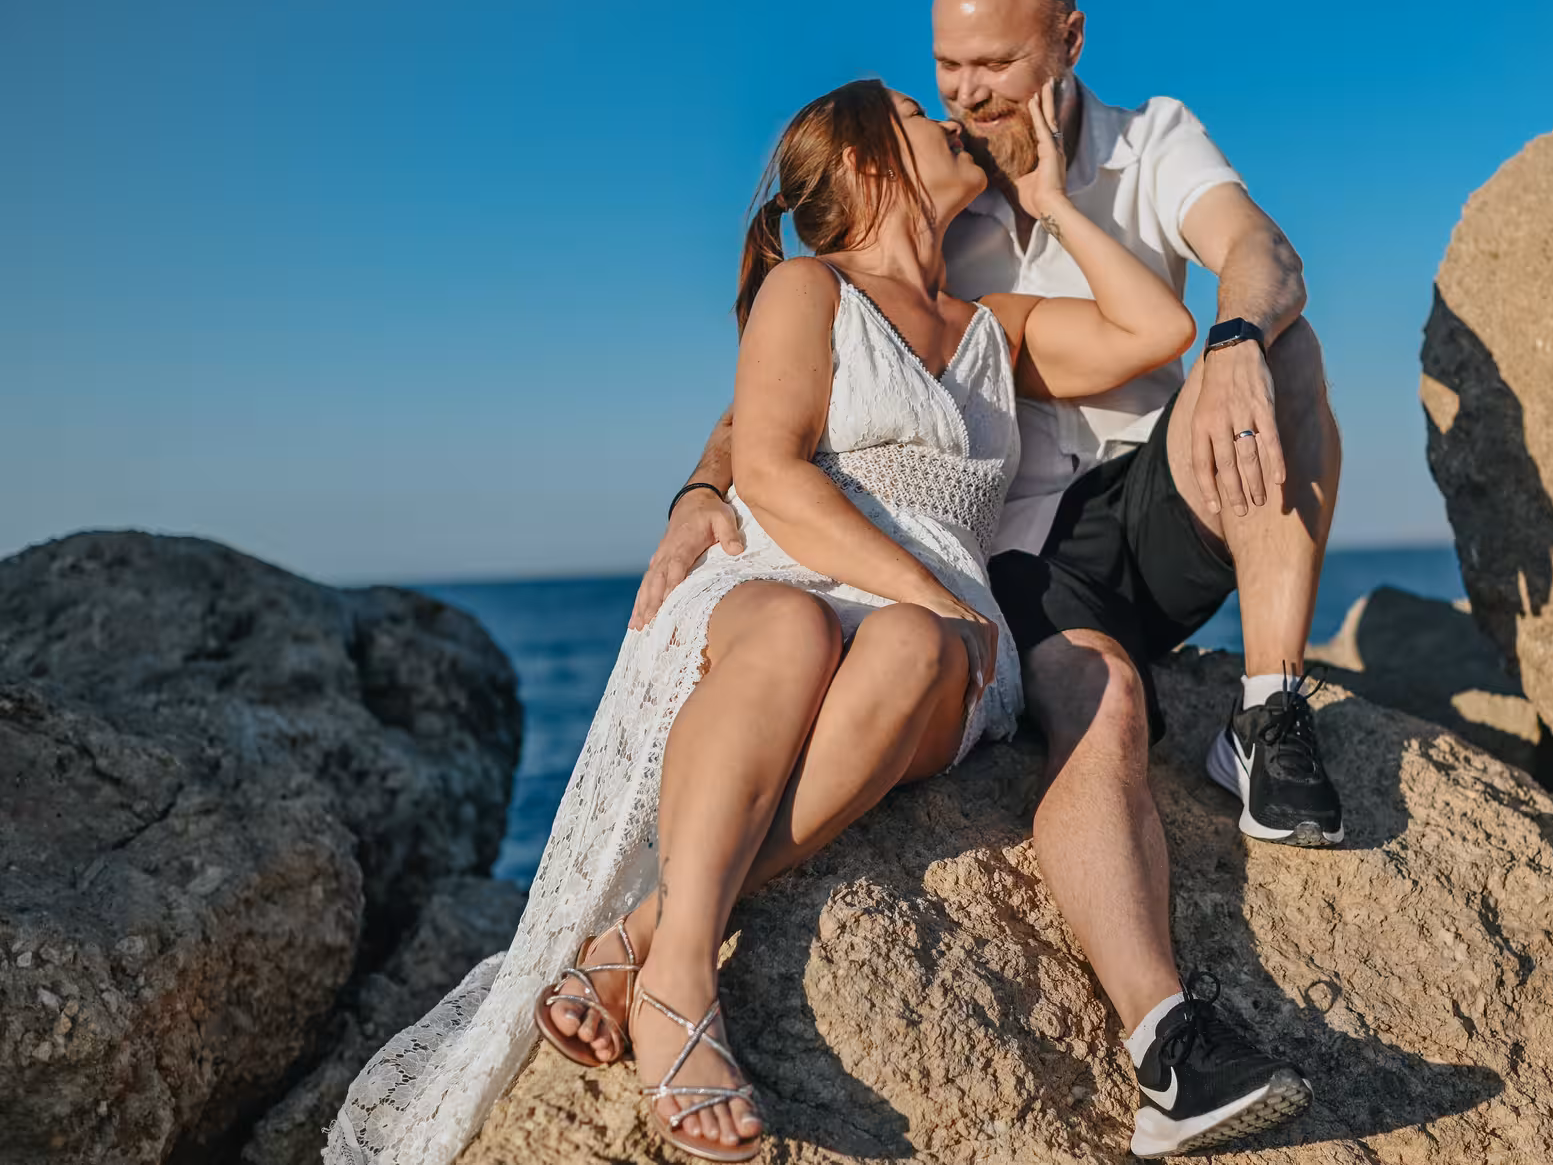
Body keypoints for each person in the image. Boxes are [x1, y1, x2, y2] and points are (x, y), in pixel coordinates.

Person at [327, 79, 1206, 1162]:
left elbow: (1162, 326)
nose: (951, 119)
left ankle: (641, 934)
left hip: (937, 630)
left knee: (918, 647)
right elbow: (776, 475)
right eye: (920, 116)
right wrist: (899, 575)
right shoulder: (810, 289)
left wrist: (1053, 197)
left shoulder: (997, 330)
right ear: (870, 166)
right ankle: (683, 975)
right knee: (794, 628)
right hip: (789, 568)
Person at [635, 0, 1340, 1157]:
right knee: (1104, 693)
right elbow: (779, 390)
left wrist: (1190, 310)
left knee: (1278, 341)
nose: (963, 100)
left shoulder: (1144, 141)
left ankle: (1272, 710)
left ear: (1068, 41)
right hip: (1014, 563)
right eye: (942, 73)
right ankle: (1166, 1041)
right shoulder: (918, 226)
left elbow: (1243, 271)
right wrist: (701, 485)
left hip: (1151, 499)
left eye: (991, 65)